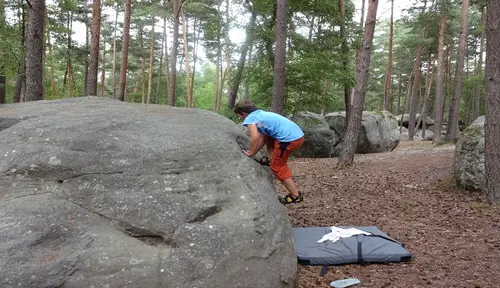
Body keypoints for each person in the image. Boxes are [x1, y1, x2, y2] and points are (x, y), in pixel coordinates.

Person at [233, 100, 305, 204]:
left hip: (289, 139)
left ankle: (296, 195)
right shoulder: (261, 114)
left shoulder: (250, 118)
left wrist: (251, 153)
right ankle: (271, 160)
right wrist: (253, 151)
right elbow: (264, 138)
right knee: (270, 137)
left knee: (277, 167)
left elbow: (255, 137)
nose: (241, 118)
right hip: (298, 136)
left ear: (243, 114)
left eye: (239, 116)